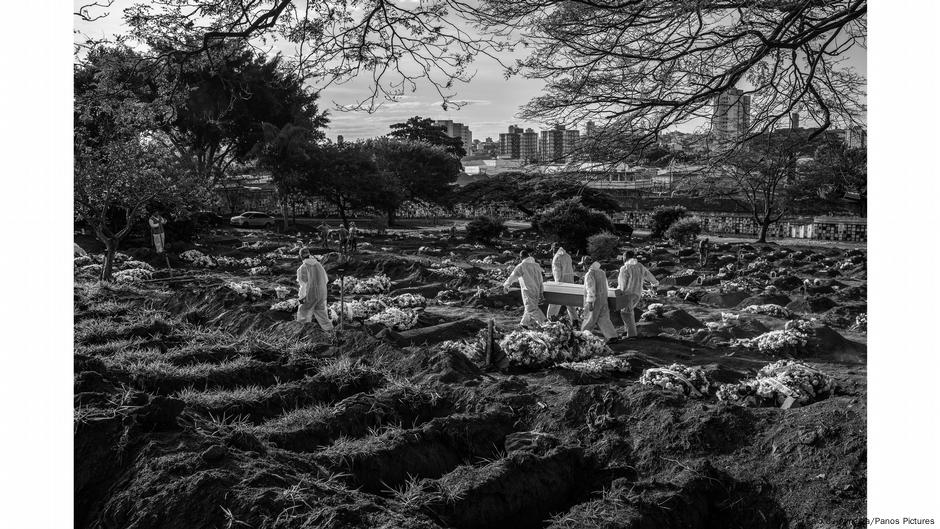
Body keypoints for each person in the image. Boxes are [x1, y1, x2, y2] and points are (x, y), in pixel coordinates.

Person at [617, 250, 660, 338]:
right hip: (637, 294)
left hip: (627, 294)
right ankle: (628, 332)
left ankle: (631, 335)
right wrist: (655, 283)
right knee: (629, 312)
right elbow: (649, 275)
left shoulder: (625, 268)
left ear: (626, 258)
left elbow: (622, 285)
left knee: (626, 314)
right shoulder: (640, 266)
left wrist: (617, 293)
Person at [502, 249, 546, 327]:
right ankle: (524, 324)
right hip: (537, 289)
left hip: (528, 290)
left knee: (531, 309)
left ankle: (545, 324)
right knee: (529, 306)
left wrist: (506, 285)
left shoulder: (522, 266)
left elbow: (513, 276)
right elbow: (540, 280)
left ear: (521, 257)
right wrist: (541, 292)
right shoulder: (537, 265)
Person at [296, 248, 334, 331]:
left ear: (301, 256)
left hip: (310, 293)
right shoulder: (318, 265)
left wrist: (301, 297)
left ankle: (303, 332)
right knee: (322, 314)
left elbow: (303, 285)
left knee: (303, 312)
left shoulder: (303, 267)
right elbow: (326, 279)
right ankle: (330, 331)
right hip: (322, 293)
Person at [581, 259, 618, 341]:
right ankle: (612, 336)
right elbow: (606, 286)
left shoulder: (590, 274)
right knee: (604, 318)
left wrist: (590, 302)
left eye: (584, 265)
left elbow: (590, 288)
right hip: (603, 299)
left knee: (589, 319)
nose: (583, 267)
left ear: (587, 265)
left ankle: (583, 336)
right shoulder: (601, 272)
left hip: (594, 300)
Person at [545, 246, 579, 325]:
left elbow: (557, 272)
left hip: (561, 283)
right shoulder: (567, 256)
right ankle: (575, 320)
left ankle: (551, 319)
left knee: (555, 302)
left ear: (554, 250)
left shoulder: (557, 258)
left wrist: (557, 284)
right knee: (570, 302)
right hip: (570, 282)